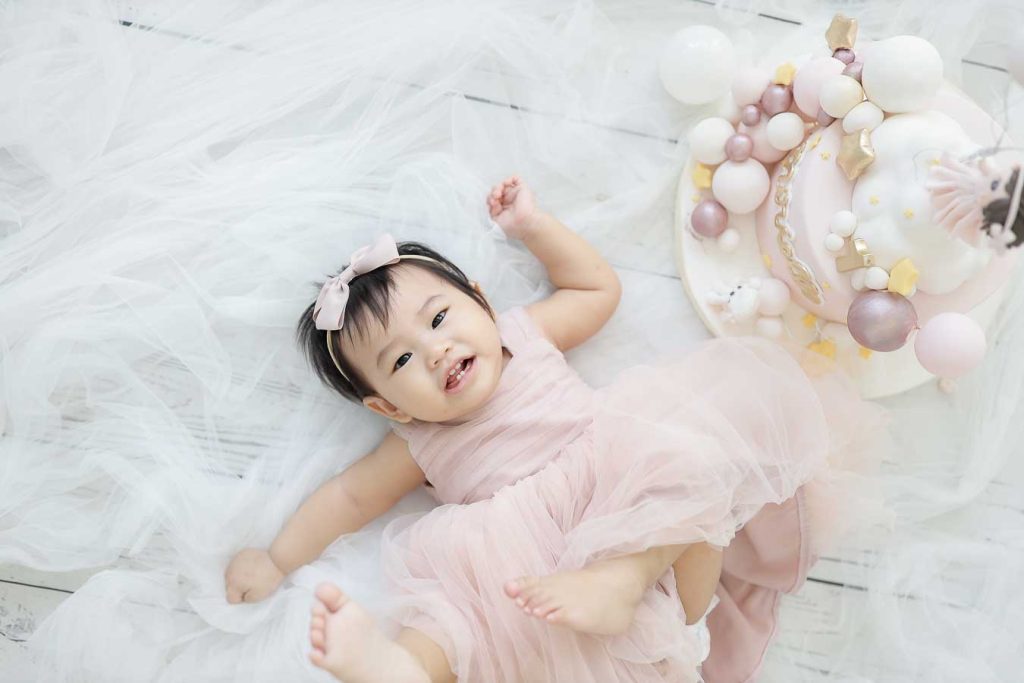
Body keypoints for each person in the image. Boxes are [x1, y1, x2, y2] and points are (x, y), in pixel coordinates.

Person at [224, 176, 882, 682]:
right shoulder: (416, 442)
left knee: (687, 458)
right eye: (400, 361)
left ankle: (622, 581)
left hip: (629, 518)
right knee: (456, 617)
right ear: (388, 407)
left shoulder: (525, 336)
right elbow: (346, 498)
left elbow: (595, 289)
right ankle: (400, 667)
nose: (434, 351)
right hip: (530, 569)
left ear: (482, 301)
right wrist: (278, 557)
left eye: (439, 318)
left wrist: (532, 226)